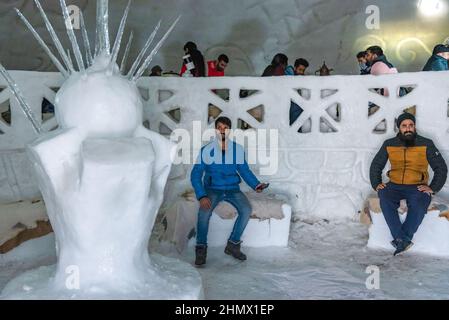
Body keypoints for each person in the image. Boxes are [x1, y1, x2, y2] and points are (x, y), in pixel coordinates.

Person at [191, 116, 269, 266]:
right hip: (213, 189)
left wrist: (256, 185)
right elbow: (195, 174)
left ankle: (233, 245)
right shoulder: (206, 150)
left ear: (229, 131)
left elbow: (244, 171)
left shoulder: (237, 149)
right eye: (219, 127)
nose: (222, 130)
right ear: (215, 130)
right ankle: (201, 249)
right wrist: (201, 195)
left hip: (233, 189)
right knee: (204, 212)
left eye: (225, 128)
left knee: (246, 209)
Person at [369, 112, 447, 256]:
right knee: (384, 197)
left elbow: (441, 168)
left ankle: (401, 239)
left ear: (414, 127)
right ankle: (402, 240)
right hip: (394, 184)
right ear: (399, 128)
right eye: (404, 126)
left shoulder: (426, 143)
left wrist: (433, 188)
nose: (408, 128)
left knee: (419, 203)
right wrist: (377, 183)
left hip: (417, 185)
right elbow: (376, 165)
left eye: (411, 125)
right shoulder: (389, 144)